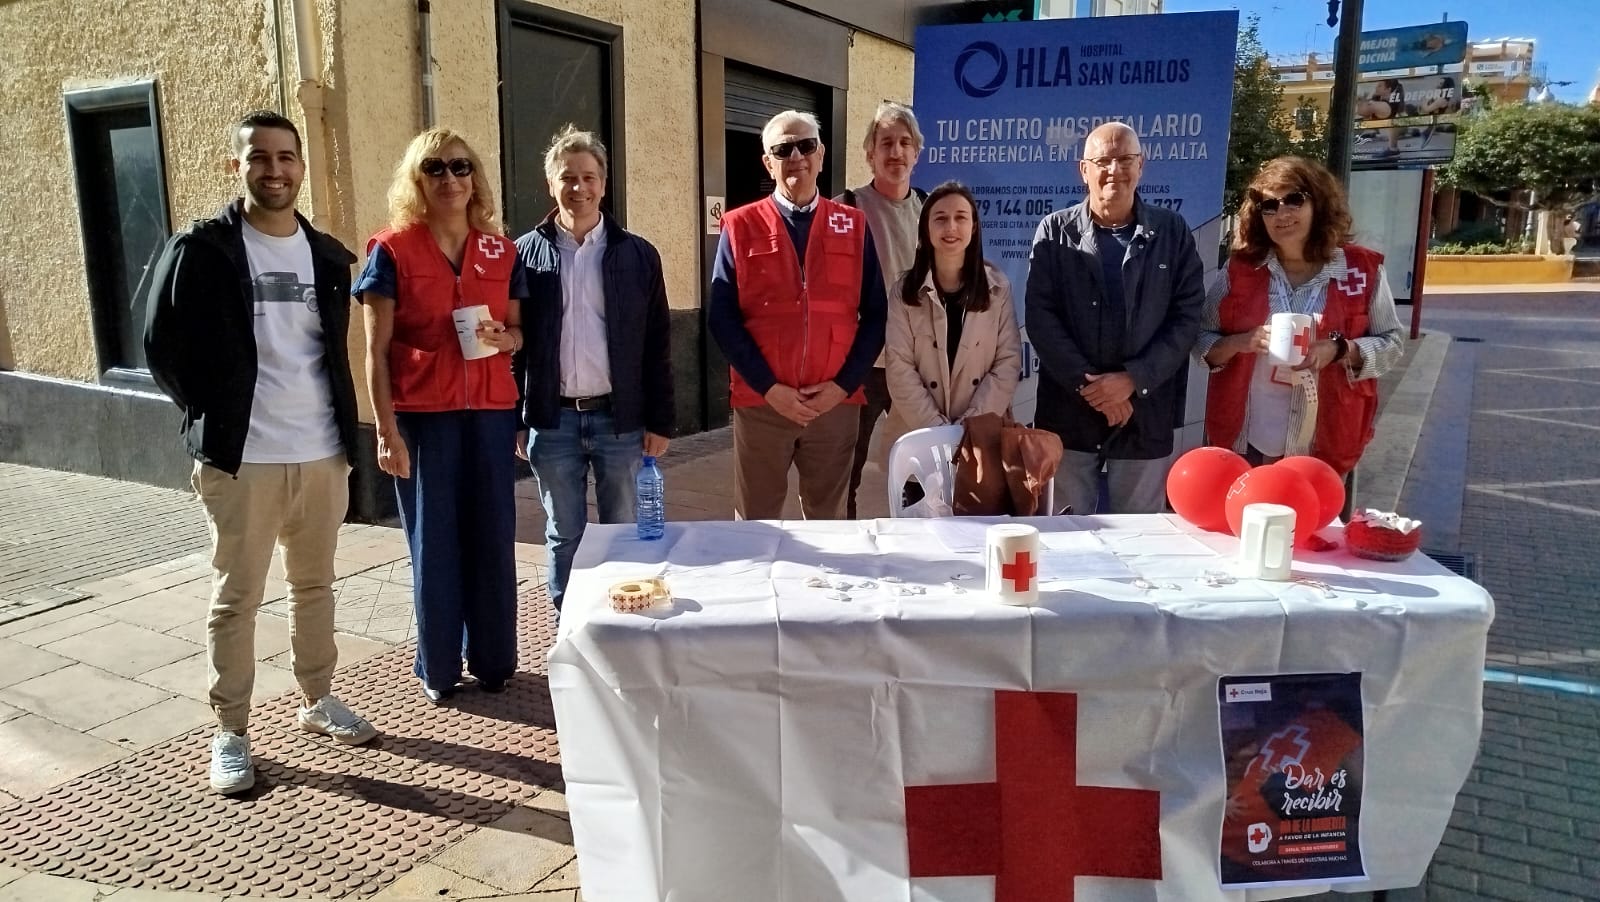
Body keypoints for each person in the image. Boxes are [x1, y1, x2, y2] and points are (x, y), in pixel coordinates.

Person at [144, 110, 378, 796]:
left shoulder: (328, 256)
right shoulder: (203, 248)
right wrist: (211, 416)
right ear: (236, 166)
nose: (273, 170)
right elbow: (162, 346)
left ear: (301, 166)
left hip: (322, 451)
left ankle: (316, 700)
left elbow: (329, 354)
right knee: (237, 597)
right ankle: (231, 731)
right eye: (259, 158)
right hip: (243, 457)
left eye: (286, 157)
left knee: (315, 587)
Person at [355, 127, 524, 704]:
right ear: (417, 179)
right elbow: (375, 352)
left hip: (491, 415)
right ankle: (440, 668)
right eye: (435, 168)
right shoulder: (392, 249)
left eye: (460, 167)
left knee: (494, 537)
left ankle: (497, 660)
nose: (449, 179)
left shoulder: (503, 249)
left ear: (475, 177)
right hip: (426, 418)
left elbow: (519, 331)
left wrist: (505, 340)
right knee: (435, 542)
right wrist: (385, 430)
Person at [513, 126, 673, 613]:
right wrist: (516, 419)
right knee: (564, 535)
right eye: (568, 178)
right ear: (550, 184)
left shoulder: (637, 255)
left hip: (618, 421)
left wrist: (661, 421)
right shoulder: (523, 254)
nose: (578, 188)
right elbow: (514, 346)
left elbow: (656, 344)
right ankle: (571, 624)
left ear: (604, 184)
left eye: (588, 177)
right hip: (552, 420)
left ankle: (625, 622)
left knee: (623, 531)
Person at [709, 110, 888, 520]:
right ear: (768, 162)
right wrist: (770, 388)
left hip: (834, 406)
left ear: (821, 155)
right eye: (783, 149)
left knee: (829, 525)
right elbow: (723, 318)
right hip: (762, 404)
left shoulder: (854, 224)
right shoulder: (739, 225)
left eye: (806, 145)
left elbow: (876, 315)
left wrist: (842, 387)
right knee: (755, 524)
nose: (797, 156)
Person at [1025, 122, 1205, 515]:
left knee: (1138, 539)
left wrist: (1132, 380)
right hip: (1069, 415)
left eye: (1125, 159)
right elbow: (1041, 317)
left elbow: (1187, 314)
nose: (1114, 170)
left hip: (1145, 412)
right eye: (1102, 160)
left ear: (1142, 165)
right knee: (1065, 534)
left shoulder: (1171, 231)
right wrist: (1091, 389)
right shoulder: (1054, 232)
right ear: (1083, 169)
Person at [1196, 156, 1405, 483]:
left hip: (1323, 444)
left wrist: (1338, 350)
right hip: (1245, 440)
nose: (1282, 213)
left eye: (1294, 199)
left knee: (1313, 532)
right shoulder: (1239, 270)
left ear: (1318, 203)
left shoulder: (1361, 270)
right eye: (1269, 205)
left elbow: (1392, 343)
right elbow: (1201, 340)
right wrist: (1240, 342)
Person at [883, 181, 1022, 462]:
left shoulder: (998, 289)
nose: (951, 227)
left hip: (981, 438)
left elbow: (1007, 363)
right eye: (941, 218)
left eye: (961, 217)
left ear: (973, 227)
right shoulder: (903, 292)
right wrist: (938, 432)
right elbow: (899, 368)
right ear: (926, 228)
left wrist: (966, 427)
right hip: (917, 439)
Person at [834, 102, 926, 517]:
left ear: (917, 153)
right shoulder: (844, 209)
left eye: (905, 143)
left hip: (916, 364)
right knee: (843, 471)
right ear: (869, 153)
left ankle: (917, 545)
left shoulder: (931, 211)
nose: (896, 152)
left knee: (918, 472)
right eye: (886, 142)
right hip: (859, 366)